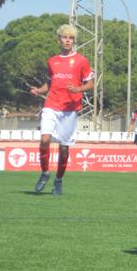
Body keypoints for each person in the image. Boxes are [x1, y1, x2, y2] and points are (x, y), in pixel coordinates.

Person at [28, 24, 95, 196]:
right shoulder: (52, 61)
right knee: (44, 139)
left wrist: (79, 89)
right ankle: (44, 173)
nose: (68, 40)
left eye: (71, 38)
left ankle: (58, 180)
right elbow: (50, 83)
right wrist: (39, 91)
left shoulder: (81, 60)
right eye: (65, 37)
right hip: (51, 105)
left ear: (74, 41)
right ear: (59, 39)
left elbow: (91, 83)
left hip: (70, 109)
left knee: (64, 149)